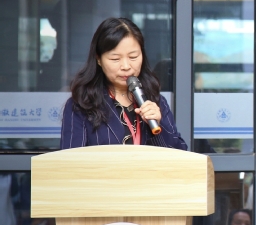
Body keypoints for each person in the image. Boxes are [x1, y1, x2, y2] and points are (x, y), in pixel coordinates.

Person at [60, 18, 187, 150]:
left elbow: (180, 154)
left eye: (133, 57)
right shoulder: (81, 105)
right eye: (115, 59)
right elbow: (70, 159)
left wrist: (159, 126)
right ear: (98, 59)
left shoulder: (156, 100)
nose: (126, 66)